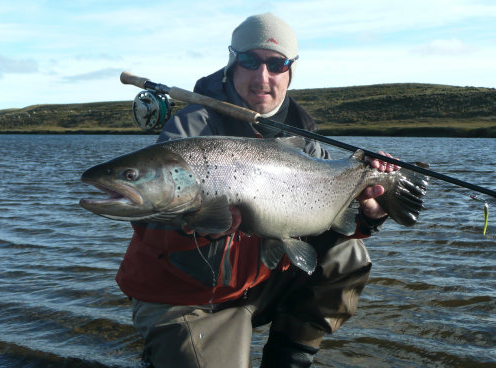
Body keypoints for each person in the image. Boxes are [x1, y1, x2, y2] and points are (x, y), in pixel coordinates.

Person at [116, 13, 399, 368]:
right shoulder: (190, 128)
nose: (261, 76)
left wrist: (372, 213)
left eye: (276, 64)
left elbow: (331, 218)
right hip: (187, 295)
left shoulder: (305, 137)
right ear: (232, 65)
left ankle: (290, 358)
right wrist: (200, 228)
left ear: (290, 71)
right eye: (249, 61)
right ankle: (164, 347)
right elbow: (153, 227)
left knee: (348, 253)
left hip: (261, 283)